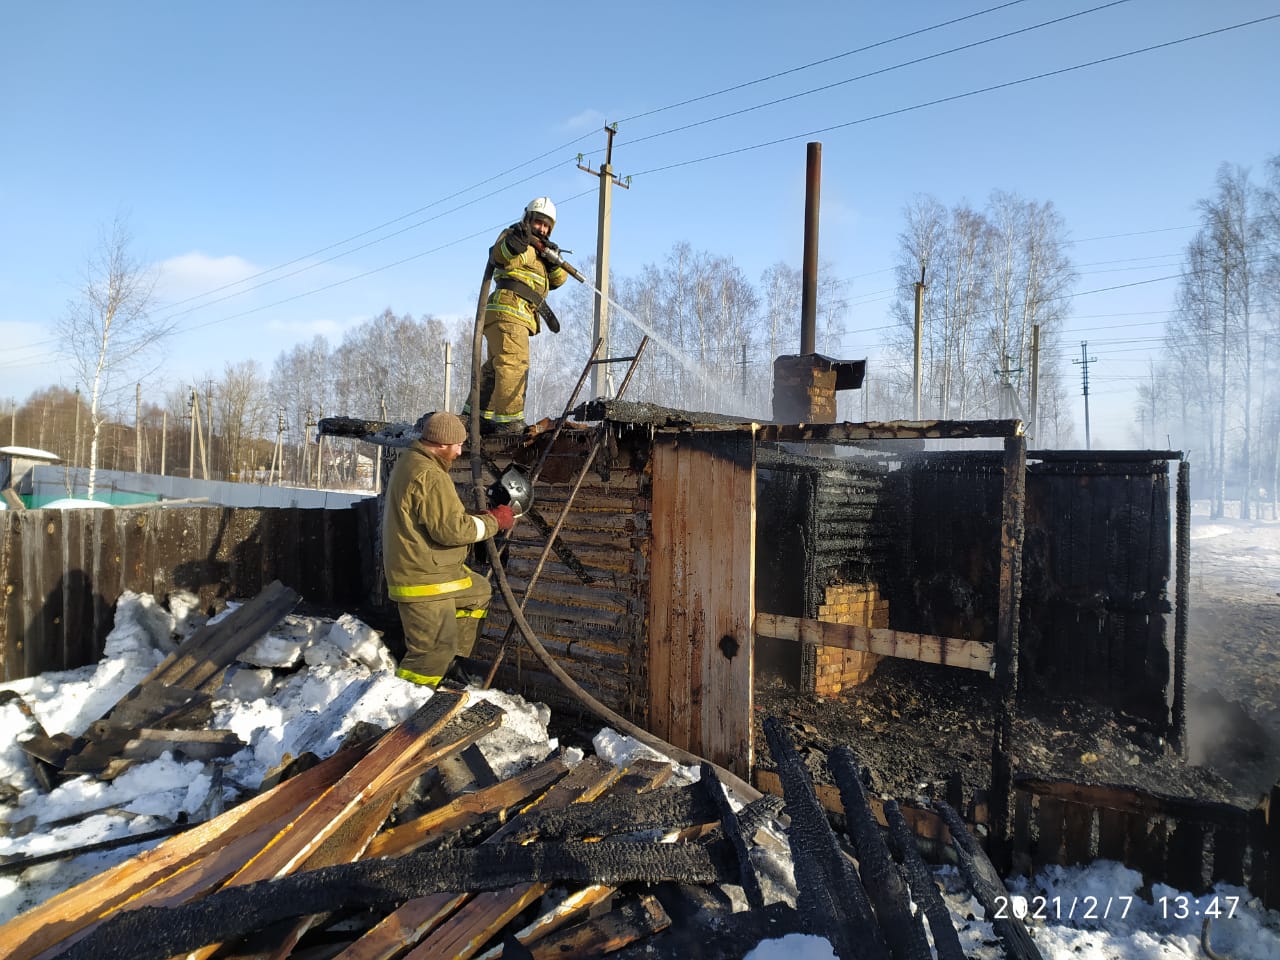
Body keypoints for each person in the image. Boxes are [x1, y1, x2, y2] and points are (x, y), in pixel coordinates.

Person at [382, 411, 516, 686]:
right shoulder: (430, 475)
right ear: (441, 444)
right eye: (457, 444)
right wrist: (494, 521)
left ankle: (453, 662)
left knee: (479, 592)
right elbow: (451, 531)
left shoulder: (411, 461)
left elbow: (437, 518)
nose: (460, 450)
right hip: (424, 579)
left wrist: (477, 519)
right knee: (431, 653)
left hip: (431, 569)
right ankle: (401, 701)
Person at [468, 196, 568, 436]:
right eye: (539, 222)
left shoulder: (539, 250)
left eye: (547, 225)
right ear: (529, 218)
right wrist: (514, 244)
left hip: (510, 315)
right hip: (510, 312)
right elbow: (499, 257)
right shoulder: (515, 236)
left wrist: (552, 260)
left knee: (496, 367)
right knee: (514, 364)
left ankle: (477, 417)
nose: (542, 228)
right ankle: (509, 422)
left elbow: (558, 280)